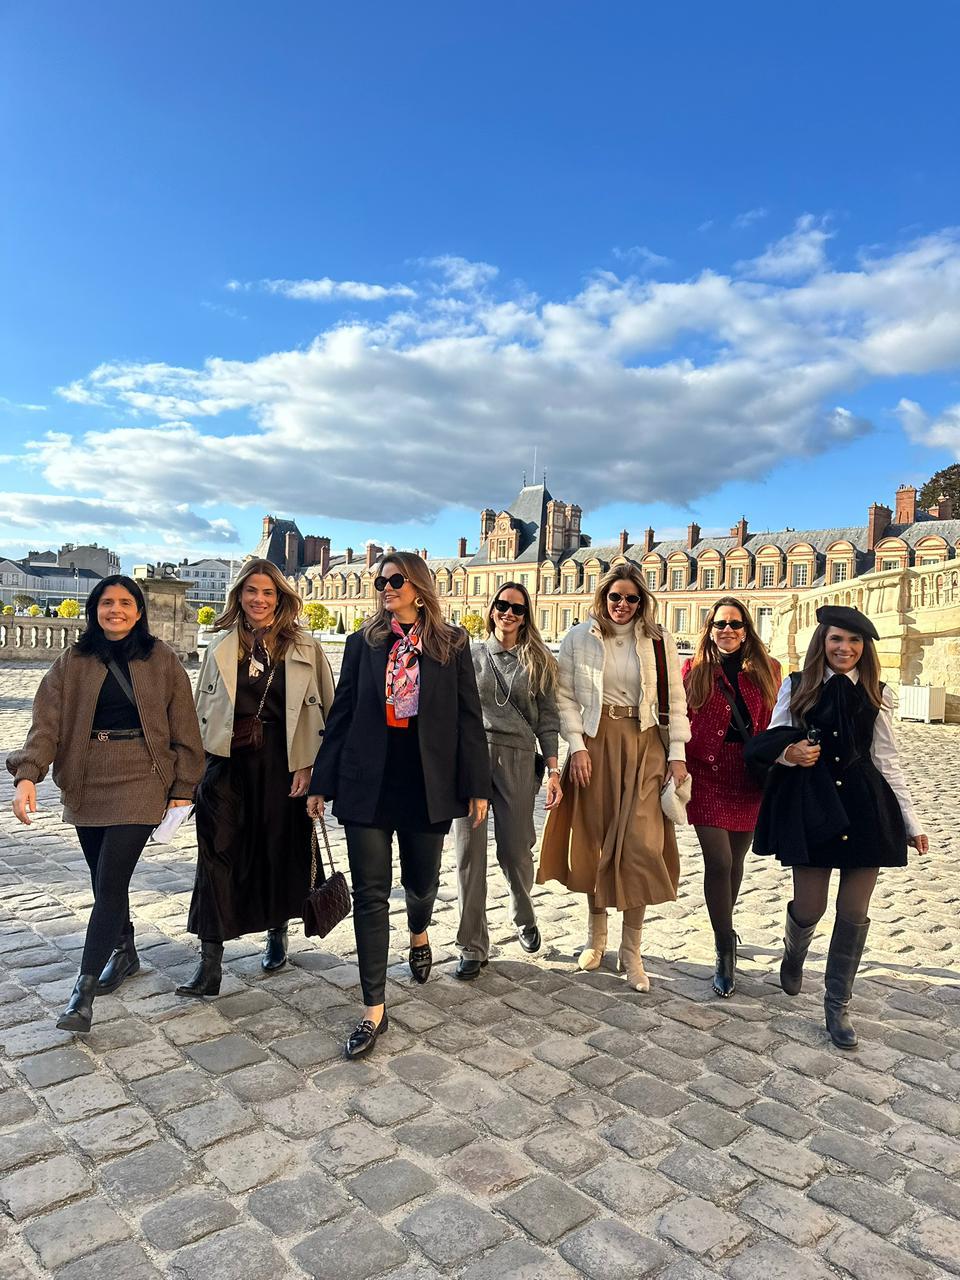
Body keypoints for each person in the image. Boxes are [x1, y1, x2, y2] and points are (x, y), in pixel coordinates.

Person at [307, 552, 490, 1057]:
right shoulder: (362, 643)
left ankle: (418, 931)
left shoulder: (453, 644)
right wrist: (322, 781)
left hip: (426, 782)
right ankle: (374, 1008)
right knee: (370, 894)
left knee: (421, 882)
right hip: (367, 781)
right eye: (381, 581)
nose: (386, 587)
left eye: (396, 580)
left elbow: (468, 719)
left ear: (419, 588)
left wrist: (477, 786)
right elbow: (342, 714)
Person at [8, 576, 204, 1033]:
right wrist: (27, 775)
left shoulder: (161, 658)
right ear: (94, 609)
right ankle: (125, 949)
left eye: (125, 602)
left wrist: (184, 786)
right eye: (107, 602)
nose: (116, 609)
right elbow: (46, 725)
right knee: (102, 879)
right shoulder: (72, 661)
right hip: (86, 778)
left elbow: (185, 726)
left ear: (139, 611)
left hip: (142, 776)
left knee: (112, 880)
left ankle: (82, 992)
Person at [747, 605, 929, 1048]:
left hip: (866, 808)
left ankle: (837, 1005)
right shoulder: (797, 686)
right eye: (836, 639)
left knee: (853, 912)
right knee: (810, 906)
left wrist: (910, 821)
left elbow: (887, 760)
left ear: (864, 647)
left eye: (854, 641)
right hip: (814, 805)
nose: (845, 648)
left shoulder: (878, 693)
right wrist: (789, 754)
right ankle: (794, 953)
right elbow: (772, 737)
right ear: (822, 643)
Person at [177, 559, 335, 997]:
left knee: (278, 851)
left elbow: (329, 711)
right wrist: (190, 773)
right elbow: (199, 711)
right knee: (215, 857)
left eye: (268, 592)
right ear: (239, 595)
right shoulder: (221, 646)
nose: (259, 599)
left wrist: (313, 769)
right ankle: (210, 963)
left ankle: (277, 930)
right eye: (251, 591)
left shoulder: (305, 647)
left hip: (284, 766)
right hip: (225, 765)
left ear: (280, 598)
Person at [537, 563, 689, 991]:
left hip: (645, 743)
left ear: (642, 602)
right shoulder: (578, 637)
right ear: (603, 597)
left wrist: (677, 753)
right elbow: (564, 697)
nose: (622, 605)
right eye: (615, 597)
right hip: (596, 741)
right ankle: (596, 936)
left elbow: (675, 699)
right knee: (596, 840)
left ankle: (632, 950)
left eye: (631, 598)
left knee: (643, 845)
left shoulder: (659, 640)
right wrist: (577, 746)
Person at [452, 582, 563, 980]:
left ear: (526, 614)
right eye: (502, 605)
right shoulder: (469, 654)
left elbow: (548, 719)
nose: (509, 613)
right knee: (469, 853)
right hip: (473, 755)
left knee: (516, 850)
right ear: (492, 609)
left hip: (517, 756)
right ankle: (472, 944)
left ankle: (522, 909)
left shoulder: (540, 660)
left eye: (517, 608)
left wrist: (554, 769)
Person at [682, 597, 781, 997]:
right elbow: (678, 718)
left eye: (735, 624)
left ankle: (726, 928)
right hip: (706, 771)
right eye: (720, 624)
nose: (727, 630)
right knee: (719, 860)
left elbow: (777, 720)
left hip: (749, 773)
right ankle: (724, 946)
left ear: (746, 630)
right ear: (709, 629)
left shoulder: (768, 670)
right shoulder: (693, 670)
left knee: (736, 861)